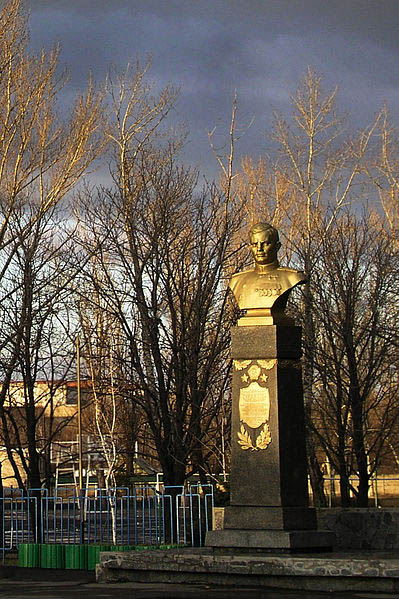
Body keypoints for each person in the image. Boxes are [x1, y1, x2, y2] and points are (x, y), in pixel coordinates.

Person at [229, 222, 306, 325]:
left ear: (277, 246)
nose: (259, 249)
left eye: (265, 244)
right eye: (255, 244)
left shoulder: (292, 277)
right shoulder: (237, 280)